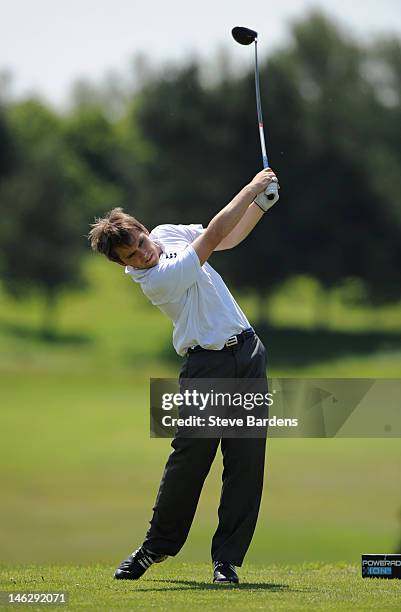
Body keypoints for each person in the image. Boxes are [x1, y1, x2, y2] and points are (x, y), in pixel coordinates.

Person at [88, 167, 279, 584]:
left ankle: (226, 561)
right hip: (205, 366)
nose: (143, 254)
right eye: (131, 257)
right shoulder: (154, 280)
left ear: (141, 229)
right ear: (123, 265)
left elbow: (224, 238)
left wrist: (260, 206)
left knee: (246, 463)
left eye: (140, 244)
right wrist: (249, 187)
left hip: (248, 355)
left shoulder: (167, 233)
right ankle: (155, 548)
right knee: (189, 462)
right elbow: (210, 238)